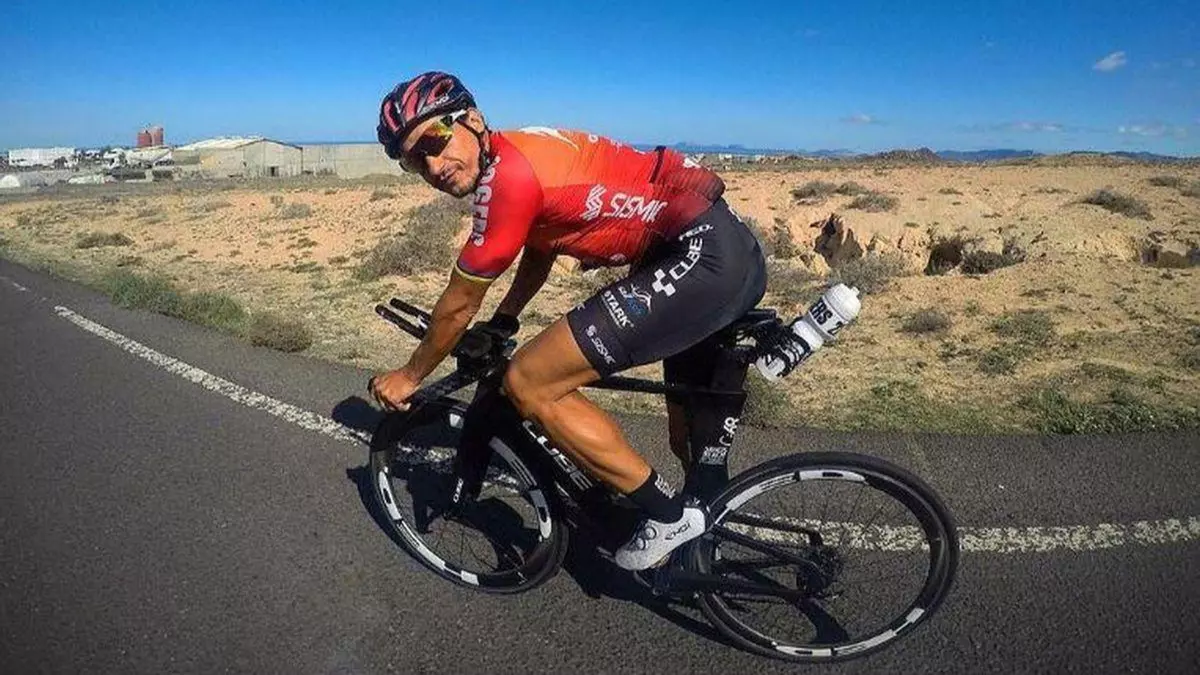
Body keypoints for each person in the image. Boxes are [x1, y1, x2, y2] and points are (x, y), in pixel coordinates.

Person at [370, 71, 767, 570]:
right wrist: (505, 319)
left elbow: (459, 304)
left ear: (472, 119)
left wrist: (410, 376)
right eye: (414, 160)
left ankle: (668, 518)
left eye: (434, 140)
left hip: (697, 258)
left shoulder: (509, 179)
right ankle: (706, 546)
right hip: (720, 247)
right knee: (689, 435)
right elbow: (542, 244)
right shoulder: (517, 151)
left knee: (529, 381)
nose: (432, 166)